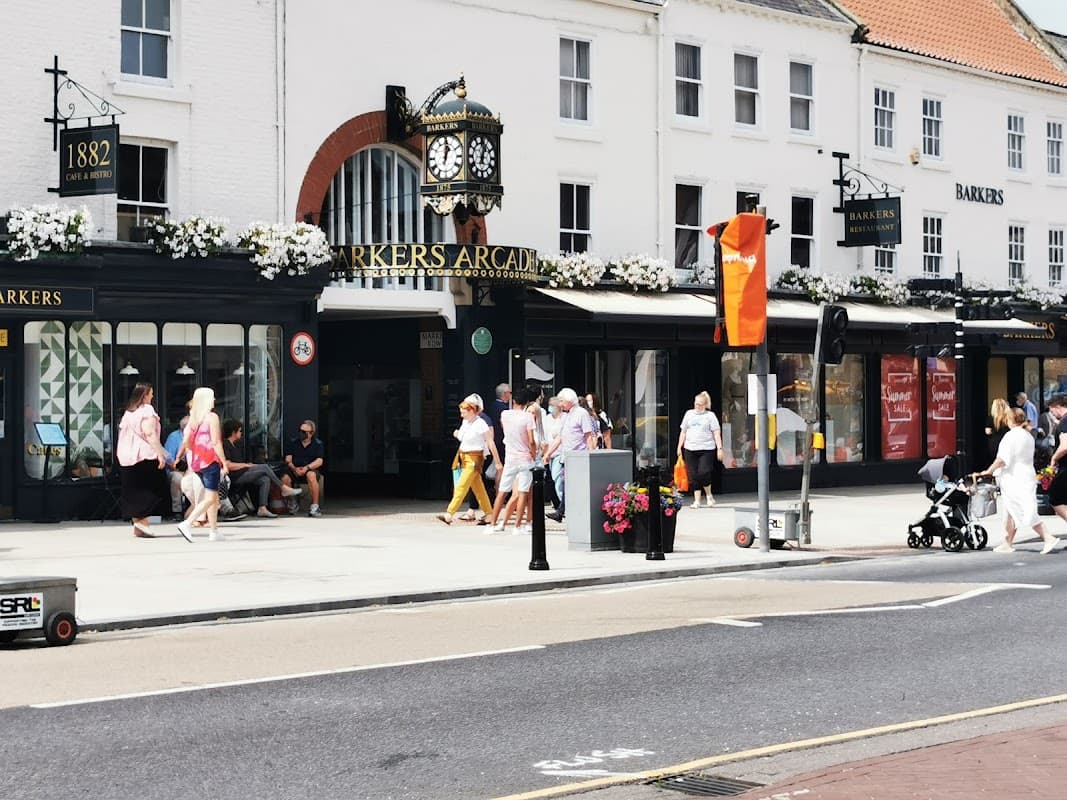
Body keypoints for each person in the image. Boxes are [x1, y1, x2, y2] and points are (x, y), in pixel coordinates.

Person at [975, 407, 1059, 554]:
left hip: (1014, 477)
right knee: (1009, 511)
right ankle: (1007, 542)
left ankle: (1047, 537)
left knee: (1025, 510)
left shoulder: (1010, 436)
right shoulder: (1027, 435)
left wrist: (989, 471)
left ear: (1010, 420)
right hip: (1026, 474)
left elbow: (1002, 459)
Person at [116, 382, 170, 538]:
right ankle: (142, 523)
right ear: (144, 395)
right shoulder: (147, 410)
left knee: (133, 491)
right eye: (151, 393)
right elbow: (150, 433)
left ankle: (139, 526)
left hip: (127, 457)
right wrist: (160, 453)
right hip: (144, 455)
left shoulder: (128, 413)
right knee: (152, 489)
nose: (152, 396)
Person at [175, 387, 228, 542]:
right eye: (212, 397)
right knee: (211, 497)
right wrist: (224, 462)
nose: (214, 400)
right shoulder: (212, 417)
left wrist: (195, 451)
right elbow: (216, 442)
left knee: (211, 496)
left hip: (197, 462)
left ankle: (214, 530)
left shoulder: (193, 419)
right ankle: (187, 523)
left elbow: (186, 442)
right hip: (210, 461)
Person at [438, 394, 501, 525]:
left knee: (462, 485)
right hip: (464, 456)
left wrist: (497, 461)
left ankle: (449, 513)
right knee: (479, 489)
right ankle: (489, 514)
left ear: (473, 410)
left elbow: (490, 442)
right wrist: (457, 434)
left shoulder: (481, 423)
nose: (462, 415)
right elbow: (461, 436)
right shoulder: (466, 422)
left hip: (474, 458)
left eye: (464, 412)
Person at [222, 418, 301, 518]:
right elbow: (228, 464)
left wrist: (248, 465)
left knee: (265, 479)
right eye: (240, 431)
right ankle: (283, 488)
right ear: (233, 432)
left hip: (241, 473)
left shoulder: (237, 445)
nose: (241, 433)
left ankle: (262, 508)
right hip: (234, 476)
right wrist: (246, 465)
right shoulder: (225, 444)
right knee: (264, 467)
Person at [544, 387, 597, 523]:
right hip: (567, 457)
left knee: (574, 486)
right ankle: (562, 511)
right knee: (568, 485)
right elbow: (560, 438)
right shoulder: (565, 416)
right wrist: (548, 453)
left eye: (562, 401)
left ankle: (563, 512)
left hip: (579, 456)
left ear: (569, 401)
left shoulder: (581, 413)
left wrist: (591, 455)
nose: (560, 404)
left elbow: (588, 435)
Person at [489, 387, 537, 533]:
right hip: (525, 458)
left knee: (502, 491)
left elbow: (505, 430)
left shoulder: (505, 414)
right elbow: (531, 440)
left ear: (514, 401)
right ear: (527, 403)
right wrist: (533, 454)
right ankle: (517, 526)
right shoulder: (527, 417)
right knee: (523, 492)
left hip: (510, 456)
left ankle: (492, 523)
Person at [677, 390, 725, 508]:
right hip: (690, 448)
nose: (697, 406)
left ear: (705, 405)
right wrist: (679, 447)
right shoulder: (689, 414)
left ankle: (709, 495)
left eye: (700, 404)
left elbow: (716, 433)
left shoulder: (710, 416)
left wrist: (719, 448)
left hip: (706, 448)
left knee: (704, 472)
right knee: (693, 475)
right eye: (696, 403)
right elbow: (683, 432)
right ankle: (697, 500)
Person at [282, 419, 325, 517]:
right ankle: (292, 503)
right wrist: (294, 469)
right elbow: (288, 459)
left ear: (311, 433)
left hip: (309, 469)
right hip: (295, 469)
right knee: (285, 478)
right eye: (300, 431)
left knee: (311, 475)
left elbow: (319, 461)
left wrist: (306, 468)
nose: (301, 434)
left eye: (304, 432)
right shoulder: (293, 442)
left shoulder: (318, 444)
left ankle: (315, 506)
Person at [541, 396, 564, 510]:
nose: (550, 407)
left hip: (560, 453)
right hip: (548, 453)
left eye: (552, 405)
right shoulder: (547, 418)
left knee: (557, 478)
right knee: (552, 479)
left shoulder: (563, 419)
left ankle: (563, 506)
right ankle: (560, 506)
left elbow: (559, 438)